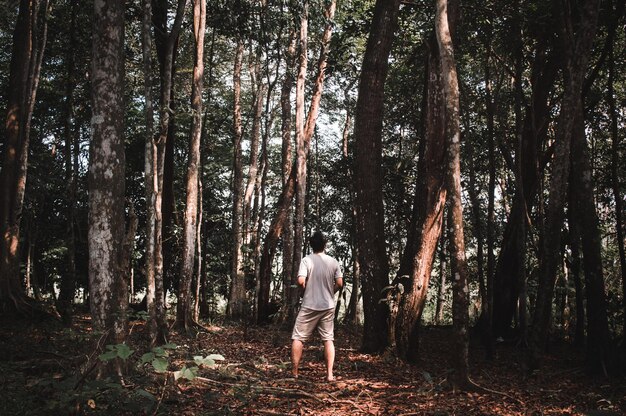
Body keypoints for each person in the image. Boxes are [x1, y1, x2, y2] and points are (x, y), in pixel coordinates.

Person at [291, 231, 343, 382]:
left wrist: (303, 292)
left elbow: (301, 281)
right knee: (328, 339)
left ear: (311, 245)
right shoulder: (333, 261)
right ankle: (329, 375)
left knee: (298, 337)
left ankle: (294, 373)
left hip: (310, 305)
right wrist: (330, 292)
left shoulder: (307, 260)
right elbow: (339, 283)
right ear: (325, 245)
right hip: (327, 305)